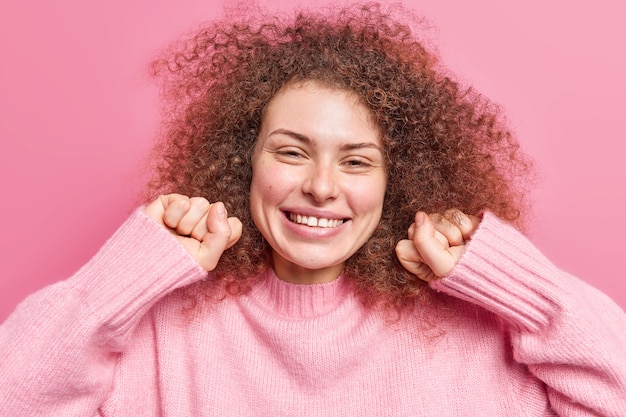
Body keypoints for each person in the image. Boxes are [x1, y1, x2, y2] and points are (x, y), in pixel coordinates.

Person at [0, 3, 624, 416]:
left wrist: (520, 288)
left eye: (356, 161)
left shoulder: (480, 338)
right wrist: (119, 281)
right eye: (293, 152)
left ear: (395, 182)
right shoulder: (159, 335)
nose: (323, 188)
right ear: (244, 161)